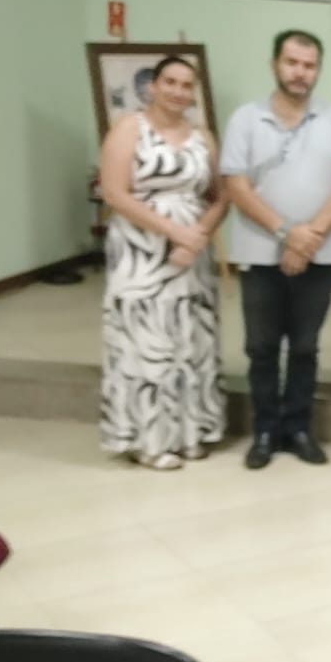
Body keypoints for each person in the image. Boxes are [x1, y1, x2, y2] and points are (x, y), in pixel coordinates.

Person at [220, 30, 331, 469]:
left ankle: (298, 429)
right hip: (260, 252)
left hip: (318, 253)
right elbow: (235, 187)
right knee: (261, 347)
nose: (300, 73)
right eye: (292, 62)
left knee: (304, 346)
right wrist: (287, 233)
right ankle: (265, 431)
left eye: (309, 65)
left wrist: (309, 236)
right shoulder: (246, 118)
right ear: (274, 65)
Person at [98, 56, 227, 470]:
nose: (177, 91)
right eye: (169, 82)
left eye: (186, 85)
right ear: (151, 86)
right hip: (142, 254)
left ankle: (191, 433)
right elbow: (115, 194)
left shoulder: (202, 136)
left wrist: (198, 235)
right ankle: (148, 440)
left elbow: (222, 196)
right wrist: (175, 233)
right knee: (146, 344)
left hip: (192, 255)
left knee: (191, 341)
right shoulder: (127, 129)